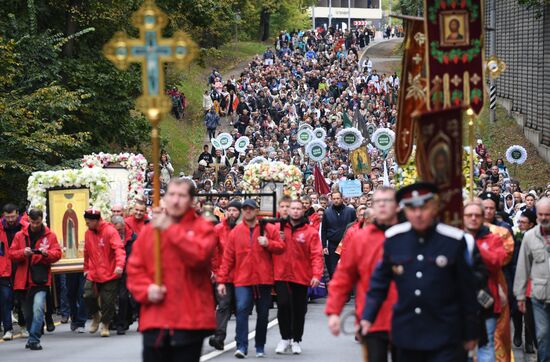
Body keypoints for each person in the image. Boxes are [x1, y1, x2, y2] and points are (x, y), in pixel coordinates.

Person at [360, 182, 478, 361]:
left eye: (423, 207)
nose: (418, 214)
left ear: (434, 207)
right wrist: (368, 317)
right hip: (407, 333)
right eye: (411, 209)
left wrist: (470, 331)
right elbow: (379, 282)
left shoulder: (453, 240)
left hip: (445, 333)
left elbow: (467, 290)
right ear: (404, 211)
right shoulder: (394, 239)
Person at [127, 178, 217, 362]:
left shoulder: (203, 228)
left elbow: (198, 257)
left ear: (192, 201)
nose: (176, 200)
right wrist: (146, 290)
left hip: (189, 319)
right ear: (165, 198)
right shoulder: (149, 231)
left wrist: (170, 229)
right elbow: (135, 269)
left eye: (182, 195)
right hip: (156, 318)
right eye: (172, 195)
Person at [326, 187, 399, 362]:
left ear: (396, 206)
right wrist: (334, 311)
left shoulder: (409, 235)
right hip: (371, 317)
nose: (381, 205)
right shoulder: (361, 238)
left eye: (387, 201)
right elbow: (344, 275)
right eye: (377, 202)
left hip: (405, 317)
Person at [217, 199, 285, 358]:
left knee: (262, 314)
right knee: (241, 309)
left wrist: (268, 243)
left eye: (251, 209)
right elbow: (227, 258)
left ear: (257, 210)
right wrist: (221, 280)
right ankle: (241, 346)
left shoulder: (268, 228)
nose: (248, 211)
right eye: (245, 209)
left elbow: (281, 248)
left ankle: (260, 345)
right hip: (242, 279)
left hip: (263, 278)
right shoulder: (236, 232)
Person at [273, 199, 323, 355]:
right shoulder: (278, 228)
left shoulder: (310, 232)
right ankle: (285, 338)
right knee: (283, 305)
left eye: (298, 209)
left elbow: (316, 255)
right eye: (292, 208)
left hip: (301, 276)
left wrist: (316, 274)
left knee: (299, 309)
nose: (295, 211)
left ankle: (296, 340)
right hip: (281, 274)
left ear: (303, 210)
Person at [9, 209, 61, 350]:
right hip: (23, 281)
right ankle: (33, 335)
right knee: (28, 314)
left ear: (42, 220)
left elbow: (57, 254)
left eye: (37, 222)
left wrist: (46, 254)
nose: (35, 225)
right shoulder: (20, 235)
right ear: (29, 220)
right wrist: (22, 253)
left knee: (38, 309)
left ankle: (33, 339)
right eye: (32, 222)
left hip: (40, 280)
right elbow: (11, 254)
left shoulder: (50, 235)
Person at [463, 201, 508, 362]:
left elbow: (497, 261)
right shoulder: (455, 238)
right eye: (469, 215)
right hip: (460, 301)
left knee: (486, 344)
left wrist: (473, 246)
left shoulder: (493, 239)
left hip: (485, 299)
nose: (473, 218)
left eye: (477, 215)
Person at [514, 197, 550, 362]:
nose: (544, 218)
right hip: (539, 295)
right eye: (541, 214)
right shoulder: (529, 237)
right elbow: (523, 267)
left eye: (547, 215)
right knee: (542, 335)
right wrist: (520, 295)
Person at [82, 208, 126, 337]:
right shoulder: (88, 233)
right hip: (93, 272)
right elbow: (86, 252)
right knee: (87, 295)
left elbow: (119, 249)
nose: (86, 223)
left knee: (108, 302)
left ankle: (105, 324)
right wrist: (86, 269)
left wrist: (119, 266)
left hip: (110, 272)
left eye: (88, 221)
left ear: (96, 221)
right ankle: (96, 315)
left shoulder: (110, 231)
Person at [209, 200, 242, 350]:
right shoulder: (218, 229)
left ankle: (240, 338)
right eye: (230, 210)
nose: (232, 213)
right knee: (223, 305)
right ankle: (219, 337)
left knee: (241, 308)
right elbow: (213, 251)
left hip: (242, 275)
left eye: (235, 210)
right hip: (223, 274)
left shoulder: (244, 228)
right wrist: (215, 271)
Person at [511, 210, 537, 353]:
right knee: (516, 309)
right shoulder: (514, 236)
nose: (520, 225)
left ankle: (529, 341)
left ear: (531, 224)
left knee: (529, 313)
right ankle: (517, 331)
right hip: (516, 275)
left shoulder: (535, 238)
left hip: (531, 280)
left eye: (523, 223)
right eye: (519, 222)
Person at [1, 204, 28, 337]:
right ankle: (8, 329)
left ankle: (23, 326)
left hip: (20, 266)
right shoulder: (0, 228)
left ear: (18, 214)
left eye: (12, 216)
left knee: (20, 298)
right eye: (7, 217)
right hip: (4, 267)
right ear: (3, 216)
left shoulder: (24, 227)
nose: (10, 220)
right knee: (6, 298)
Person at [111, 215, 137, 335]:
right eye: (116, 230)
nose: (118, 232)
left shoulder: (132, 237)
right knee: (109, 298)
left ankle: (122, 323)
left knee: (123, 297)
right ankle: (113, 321)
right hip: (111, 269)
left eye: (120, 230)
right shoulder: (109, 235)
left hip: (127, 270)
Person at [321, 191, 356, 278]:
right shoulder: (327, 212)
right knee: (333, 270)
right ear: (331, 200)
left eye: (338, 198)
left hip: (347, 244)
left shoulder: (351, 211)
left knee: (348, 269)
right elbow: (324, 230)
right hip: (332, 245)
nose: (336, 200)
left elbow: (355, 227)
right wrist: (324, 245)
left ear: (342, 198)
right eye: (334, 199)